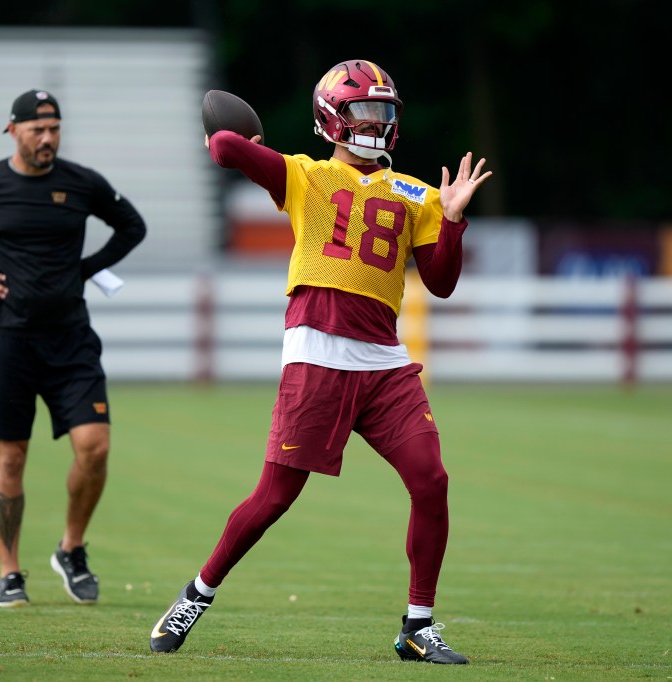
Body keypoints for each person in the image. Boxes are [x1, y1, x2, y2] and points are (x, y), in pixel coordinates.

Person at [149, 60, 490, 663]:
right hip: (317, 357)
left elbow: (440, 283)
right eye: (363, 110)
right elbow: (226, 145)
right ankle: (195, 595)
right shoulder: (303, 176)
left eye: (383, 112)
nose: (375, 123)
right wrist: (242, 141)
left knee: (431, 481)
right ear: (333, 118)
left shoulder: (416, 194)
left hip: (384, 363)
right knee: (274, 498)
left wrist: (454, 219)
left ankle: (418, 625)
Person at [0, 89, 146, 608]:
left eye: (55, 128)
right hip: (4, 338)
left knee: (95, 445)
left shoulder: (81, 183)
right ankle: (10, 572)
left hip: (70, 338)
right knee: (10, 458)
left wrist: (83, 269)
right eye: (38, 129)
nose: (48, 138)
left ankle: (71, 549)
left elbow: (133, 226)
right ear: (11, 130)